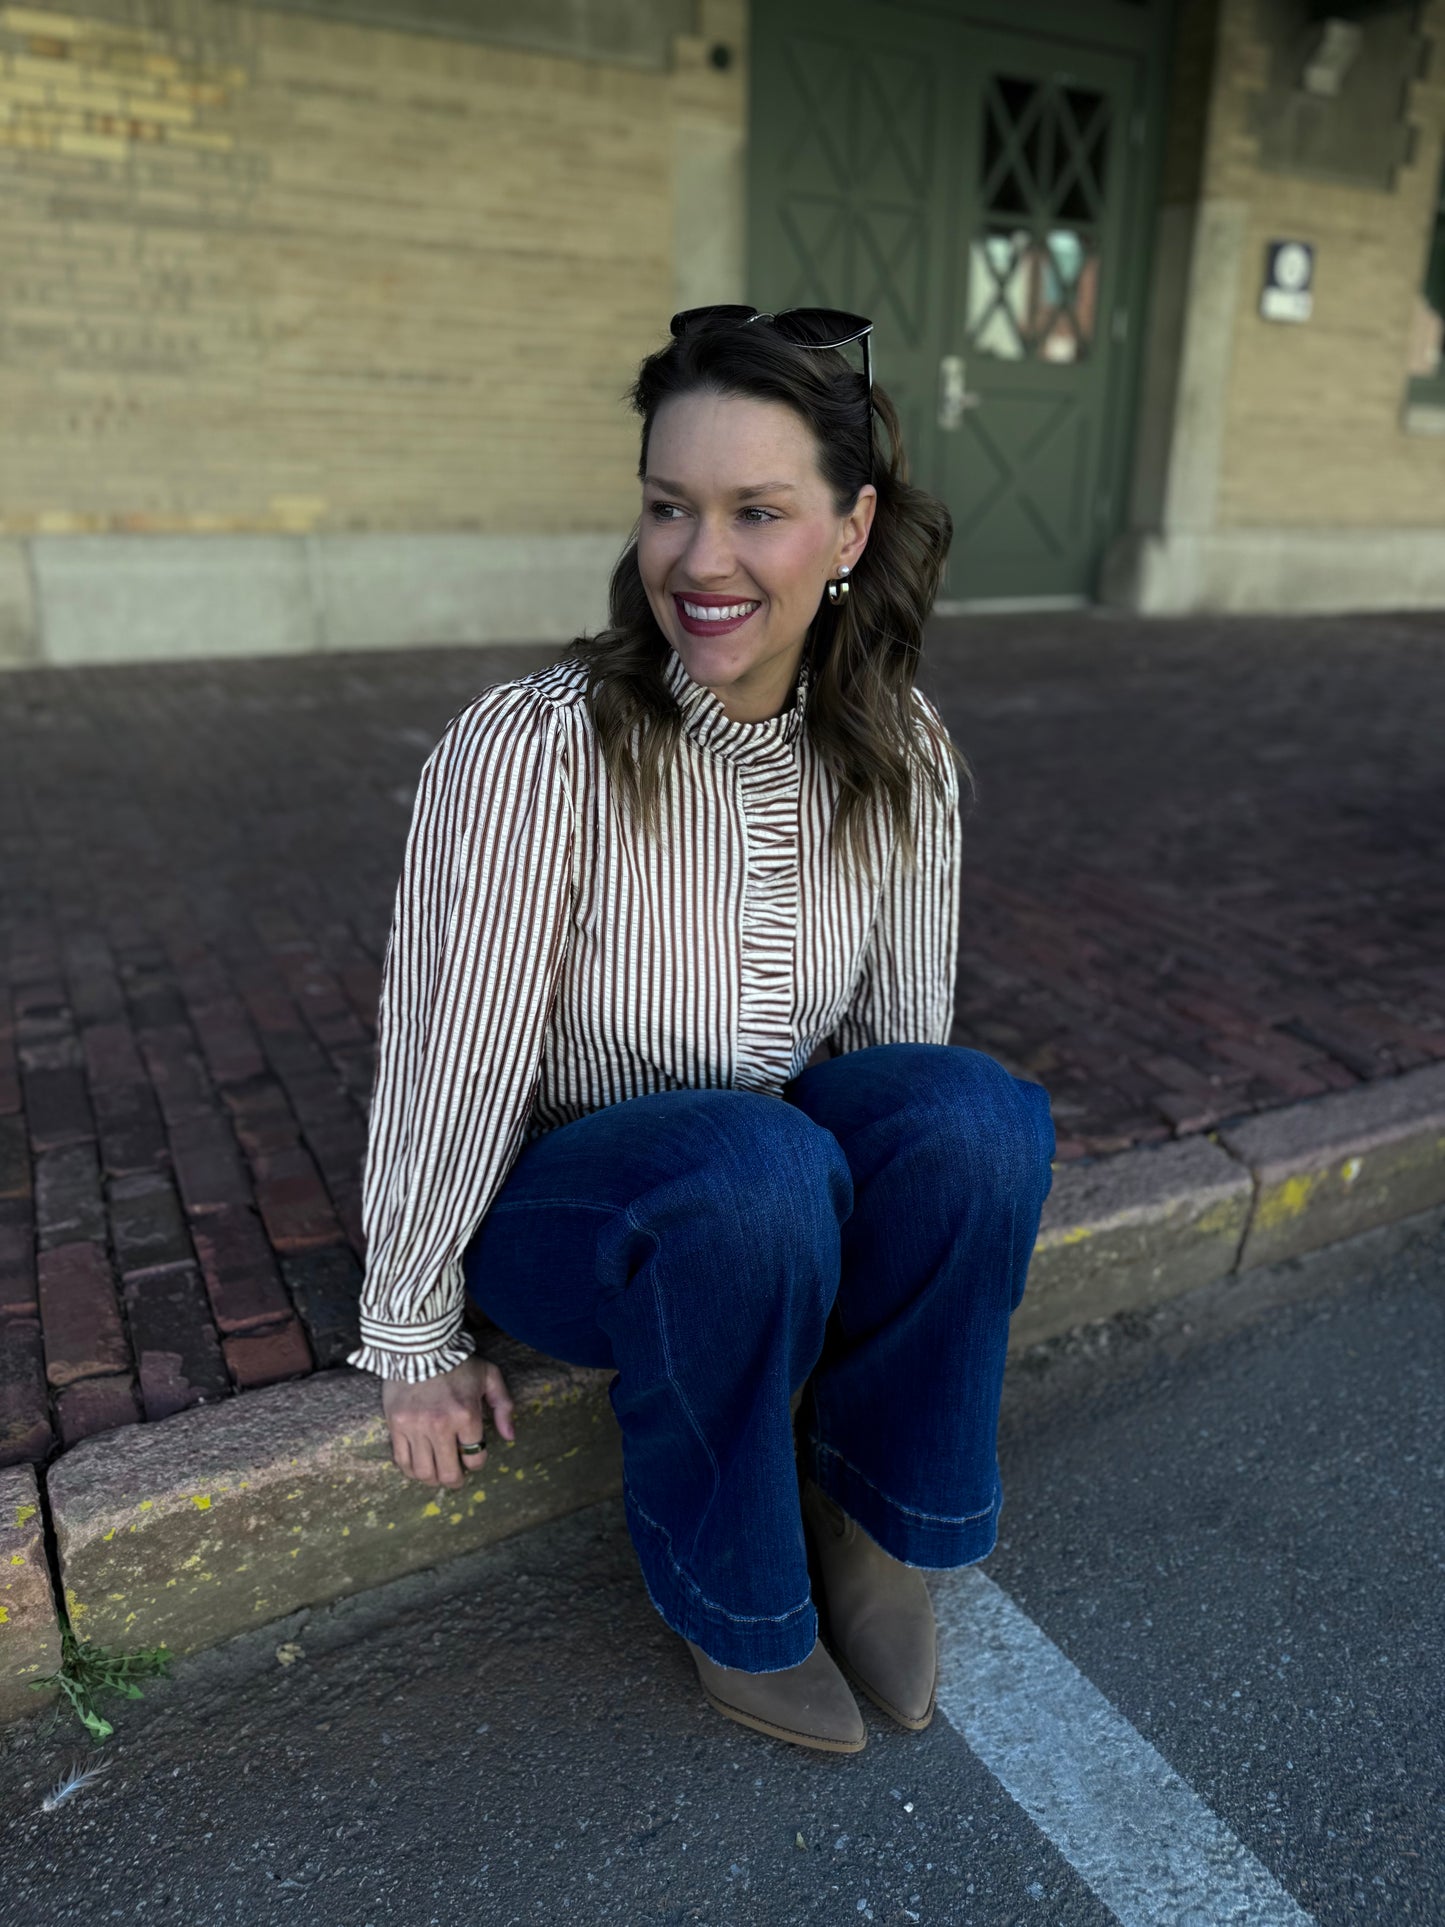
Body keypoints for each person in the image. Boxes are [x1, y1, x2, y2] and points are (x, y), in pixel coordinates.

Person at [346, 305, 1057, 1756]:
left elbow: (899, 1056)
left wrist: (889, 1227)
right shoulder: (538, 748)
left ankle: (871, 1514)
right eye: (670, 507)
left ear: (851, 530)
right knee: (753, 1168)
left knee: (976, 1115)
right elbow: (450, 1056)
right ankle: (731, 1595)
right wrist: (412, 1327)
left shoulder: (902, 748)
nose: (700, 559)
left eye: (756, 512)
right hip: (572, 1209)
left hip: (764, 1189)